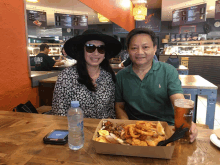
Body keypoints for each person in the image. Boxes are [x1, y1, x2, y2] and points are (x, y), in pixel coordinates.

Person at [115, 28, 198, 143]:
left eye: (145, 47)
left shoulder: (168, 71)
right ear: (128, 50)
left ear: (154, 49)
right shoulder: (121, 76)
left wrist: (187, 122)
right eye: (134, 48)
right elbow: (119, 106)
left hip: (166, 129)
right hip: (135, 130)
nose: (139, 52)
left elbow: (178, 100)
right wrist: (127, 126)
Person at [52, 29, 122, 118]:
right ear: (82, 51)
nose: (96, 53)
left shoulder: (108, 76)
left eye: (101, 48)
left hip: (103, 129)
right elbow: (59, 112)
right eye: (90, 47)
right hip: (75, 129)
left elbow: (110, 110)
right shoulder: (66, 76)